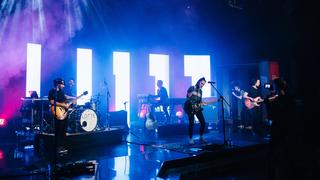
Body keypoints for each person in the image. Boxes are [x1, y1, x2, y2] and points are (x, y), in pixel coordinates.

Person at [48, 78, 73, 154]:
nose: (63, 86)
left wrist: (73, 100)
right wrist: (62, 105)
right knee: (58, 129)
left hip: (63, 113)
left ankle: (62, 147)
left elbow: (66, 99)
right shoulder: (52, 91)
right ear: (58, 84)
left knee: (63, 130)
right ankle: (57, 147)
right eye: (62, 84)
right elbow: (52, 101)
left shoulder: (61, 92)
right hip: (57, 112)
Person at [184, 77, 208, 144]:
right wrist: (194, 92)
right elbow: (188, 96)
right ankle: (190, 138)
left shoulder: (201, 91)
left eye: (203, 84)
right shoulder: (192, 87)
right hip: (190, 108)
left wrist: (202, 103)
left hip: (197, 108)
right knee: (191, 123)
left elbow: (200, 100)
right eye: (201, 83)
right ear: (198, 81)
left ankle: (201, 137)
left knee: (203, 122)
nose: (202, 85)